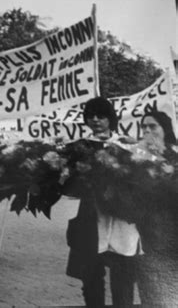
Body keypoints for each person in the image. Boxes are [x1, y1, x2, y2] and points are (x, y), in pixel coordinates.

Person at [63, 97, 141, 308]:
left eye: (101, 115)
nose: (95, 120)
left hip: (121, 221)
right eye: (90, 116)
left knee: (123, 275)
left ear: (110, 118)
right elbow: (69, 184)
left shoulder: (126, 145)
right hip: (91, 217)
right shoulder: (79, 147)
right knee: (91, 275)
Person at [133, 111, 178, 306]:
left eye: (153, 126)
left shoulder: (175, 155)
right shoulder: (135, 156)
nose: (148, 131)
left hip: (173, 231)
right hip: (148, 232)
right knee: (151, 290)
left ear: (164, 129)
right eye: (144, 127)